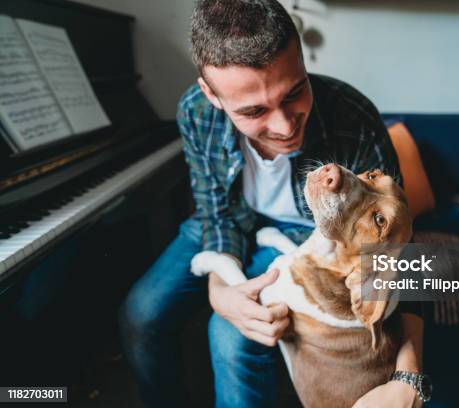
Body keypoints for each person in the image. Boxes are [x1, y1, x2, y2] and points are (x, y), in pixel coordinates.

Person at [119, 1, 425, 407]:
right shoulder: (194, 113)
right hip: (229, 220)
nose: (284, 126)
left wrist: (409, 379)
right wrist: (218, 289)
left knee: (230, 336)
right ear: (211, 93)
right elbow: (215, 210)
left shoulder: (353, 117)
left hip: (308, 234)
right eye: (253, 111)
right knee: (140, 313)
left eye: (295, 92)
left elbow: (397, 256)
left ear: (301, 57)